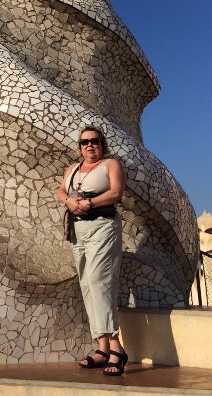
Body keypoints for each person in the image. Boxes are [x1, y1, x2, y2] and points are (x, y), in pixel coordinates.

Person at [57, 125, 128, 376]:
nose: (89, 145)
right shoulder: (73, 169)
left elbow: (116, 192)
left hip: (103, 226)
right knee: (87, 284)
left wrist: (88, 203)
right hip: (79, 230)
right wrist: (69, 201)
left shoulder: (110, 165)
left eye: (94, 141)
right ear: (80, 146)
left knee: (100, 281)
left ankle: (116, 347)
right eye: (85, 142)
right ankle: (101, 347)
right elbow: (60, 191)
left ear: (102, 144)